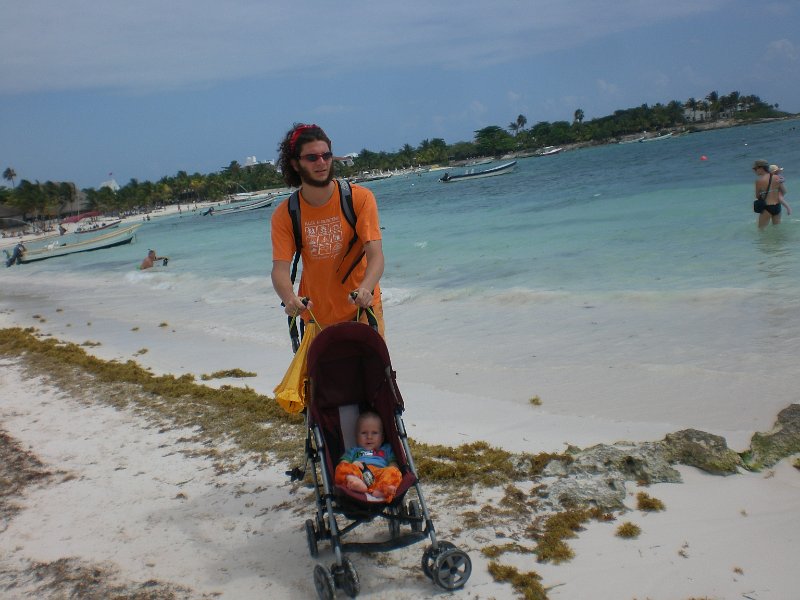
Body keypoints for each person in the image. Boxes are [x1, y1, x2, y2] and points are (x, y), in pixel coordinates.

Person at [271, 123, 385, 335]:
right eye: (312, 157)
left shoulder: (359, 198)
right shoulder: (286, 213)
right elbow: (279, 269)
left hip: (362, 310)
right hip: (315, 318)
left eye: (326, 155)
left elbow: (376, 256)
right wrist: (289, 299)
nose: (321, 162)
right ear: (295, 164)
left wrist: (366, 288)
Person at [334, 411, 402, 502]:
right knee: (342, 467)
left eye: (374, 433)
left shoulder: (386, 449)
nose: (369, 437)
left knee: (394, 471)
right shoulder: (354, 451)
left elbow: (393, 464)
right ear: (356, 437)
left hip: (380, 475)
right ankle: (355, 482)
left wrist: (391, 471)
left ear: (382, 437)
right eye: (364, 433)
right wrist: (353, 465)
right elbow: (343, 463)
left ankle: (382, 489)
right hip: (360, 473)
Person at [753, 159, 790, 228]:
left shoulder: (759, 181)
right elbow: (784, 191)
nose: (754, 171)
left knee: (761, 230)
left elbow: (757, 196)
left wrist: (764, 194)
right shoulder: (777, 177)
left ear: (761, 168)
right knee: (776, 229)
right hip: (777, 207)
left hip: (767, 207)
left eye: (755, 169)